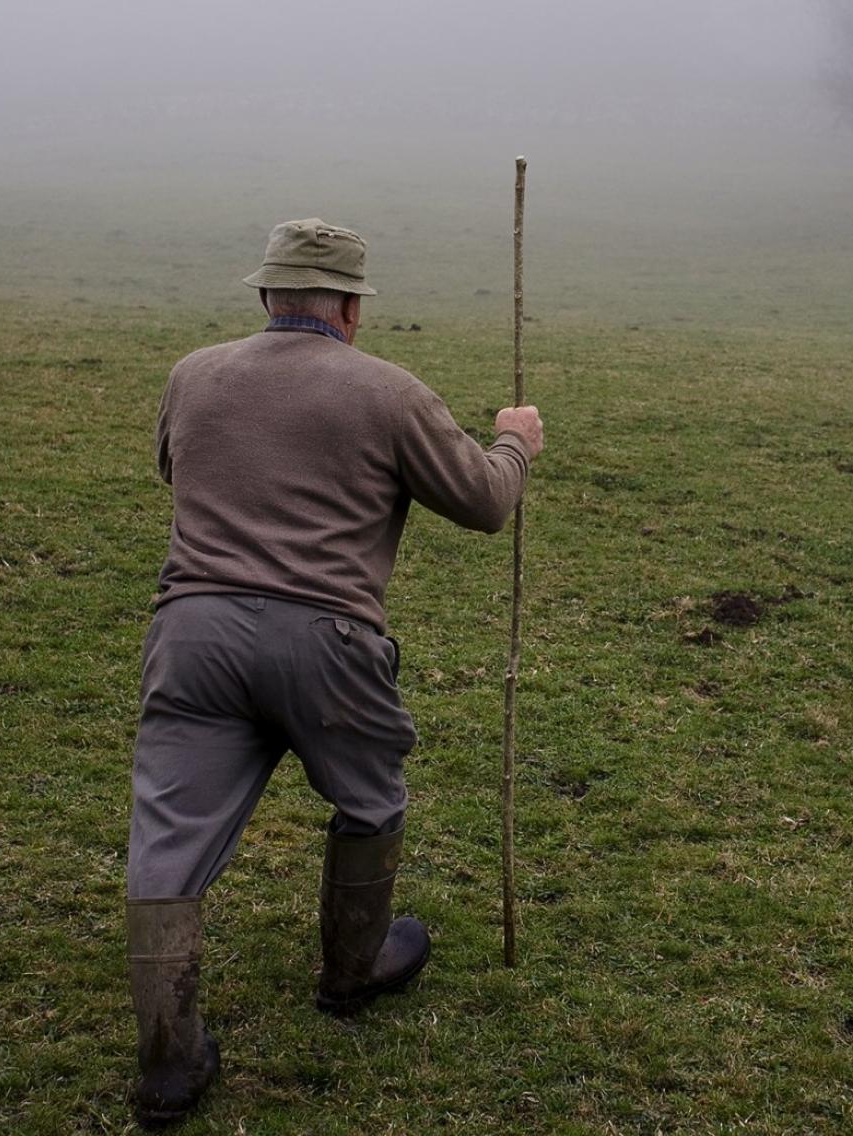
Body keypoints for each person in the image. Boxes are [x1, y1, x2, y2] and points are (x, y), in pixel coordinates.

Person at [123, 217, 542, 1128]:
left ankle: (168, 1064)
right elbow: (481, 503)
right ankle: (352, 973)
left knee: (167, 842)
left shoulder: (193, 374)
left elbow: (174, 468)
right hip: (329, 643)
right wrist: (514, 442)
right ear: (352, 308)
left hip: (192, 633)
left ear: (267, 295)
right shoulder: (391, 393)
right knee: (371, 800)